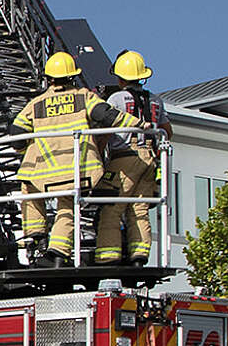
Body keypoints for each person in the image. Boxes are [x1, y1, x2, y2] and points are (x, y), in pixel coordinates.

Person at [11, 52, 137, 266]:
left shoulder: (36, 104)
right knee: (66, 207)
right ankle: (58, 252)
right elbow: (107, 116)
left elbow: (17, 136)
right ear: (72, 76)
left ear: (49, 78)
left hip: (45, 174)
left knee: (29, 189)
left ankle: (36, 237)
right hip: (79, 172)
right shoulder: (83, 97)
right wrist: (139, 124)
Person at [97, 50, 163, 266]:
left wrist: (98, 158)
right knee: (139, 210)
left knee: (112, 208)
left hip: (124, 158)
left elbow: (105, 132)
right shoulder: (156, 101)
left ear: (121, 78)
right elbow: (167, 131)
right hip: (149, 160)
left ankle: (108, 256)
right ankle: (139, 255)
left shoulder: (116, 99)